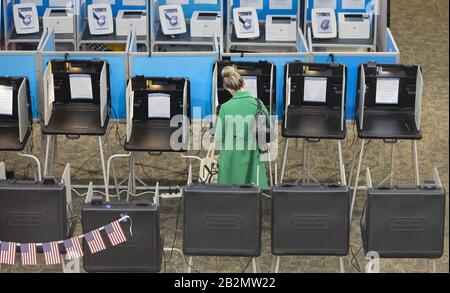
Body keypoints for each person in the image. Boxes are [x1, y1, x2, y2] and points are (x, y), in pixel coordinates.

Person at [214, 65, 269, 189]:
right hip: (253, 157)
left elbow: (218, 138)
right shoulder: (259, 104)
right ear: (243, 82)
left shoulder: (225, 107)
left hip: (231, 159)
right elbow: (268, 133)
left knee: (230, 197)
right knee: (252, 197)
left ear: (228, 88)